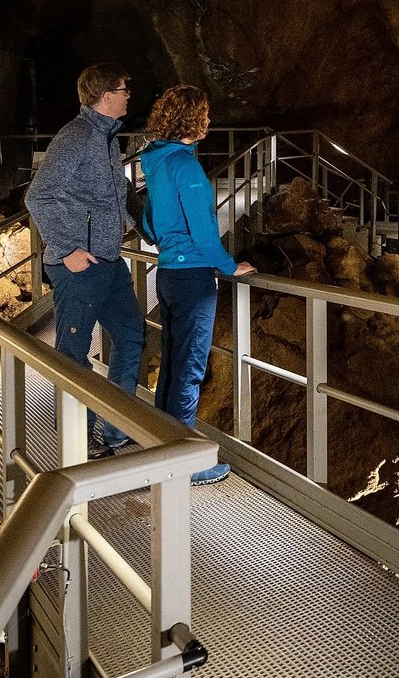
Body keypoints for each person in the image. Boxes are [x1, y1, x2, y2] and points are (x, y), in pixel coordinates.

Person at [25, 63, 146, 457]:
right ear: (106, 95)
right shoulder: (76, 137)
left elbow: (111, 193)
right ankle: (77, 442)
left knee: (130, 335)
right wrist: (65, 250)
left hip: (108, 261)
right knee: (74, 355)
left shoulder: (108, 138)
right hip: (81, 266)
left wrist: (133, 222)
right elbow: (38, 196)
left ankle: (114, 429)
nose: (130, 94)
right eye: (125, 88)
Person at [136, 85, 255, 486]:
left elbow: (150, 219)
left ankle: (162, 444)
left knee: (171, 364)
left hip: (168, 274)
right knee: (189, 369)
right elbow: (204, 232)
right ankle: (183, 464)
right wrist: (229, 265)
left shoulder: (156, 161)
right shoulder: (185, 167)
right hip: (193, 277)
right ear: (196, 120)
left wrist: (164, 241)